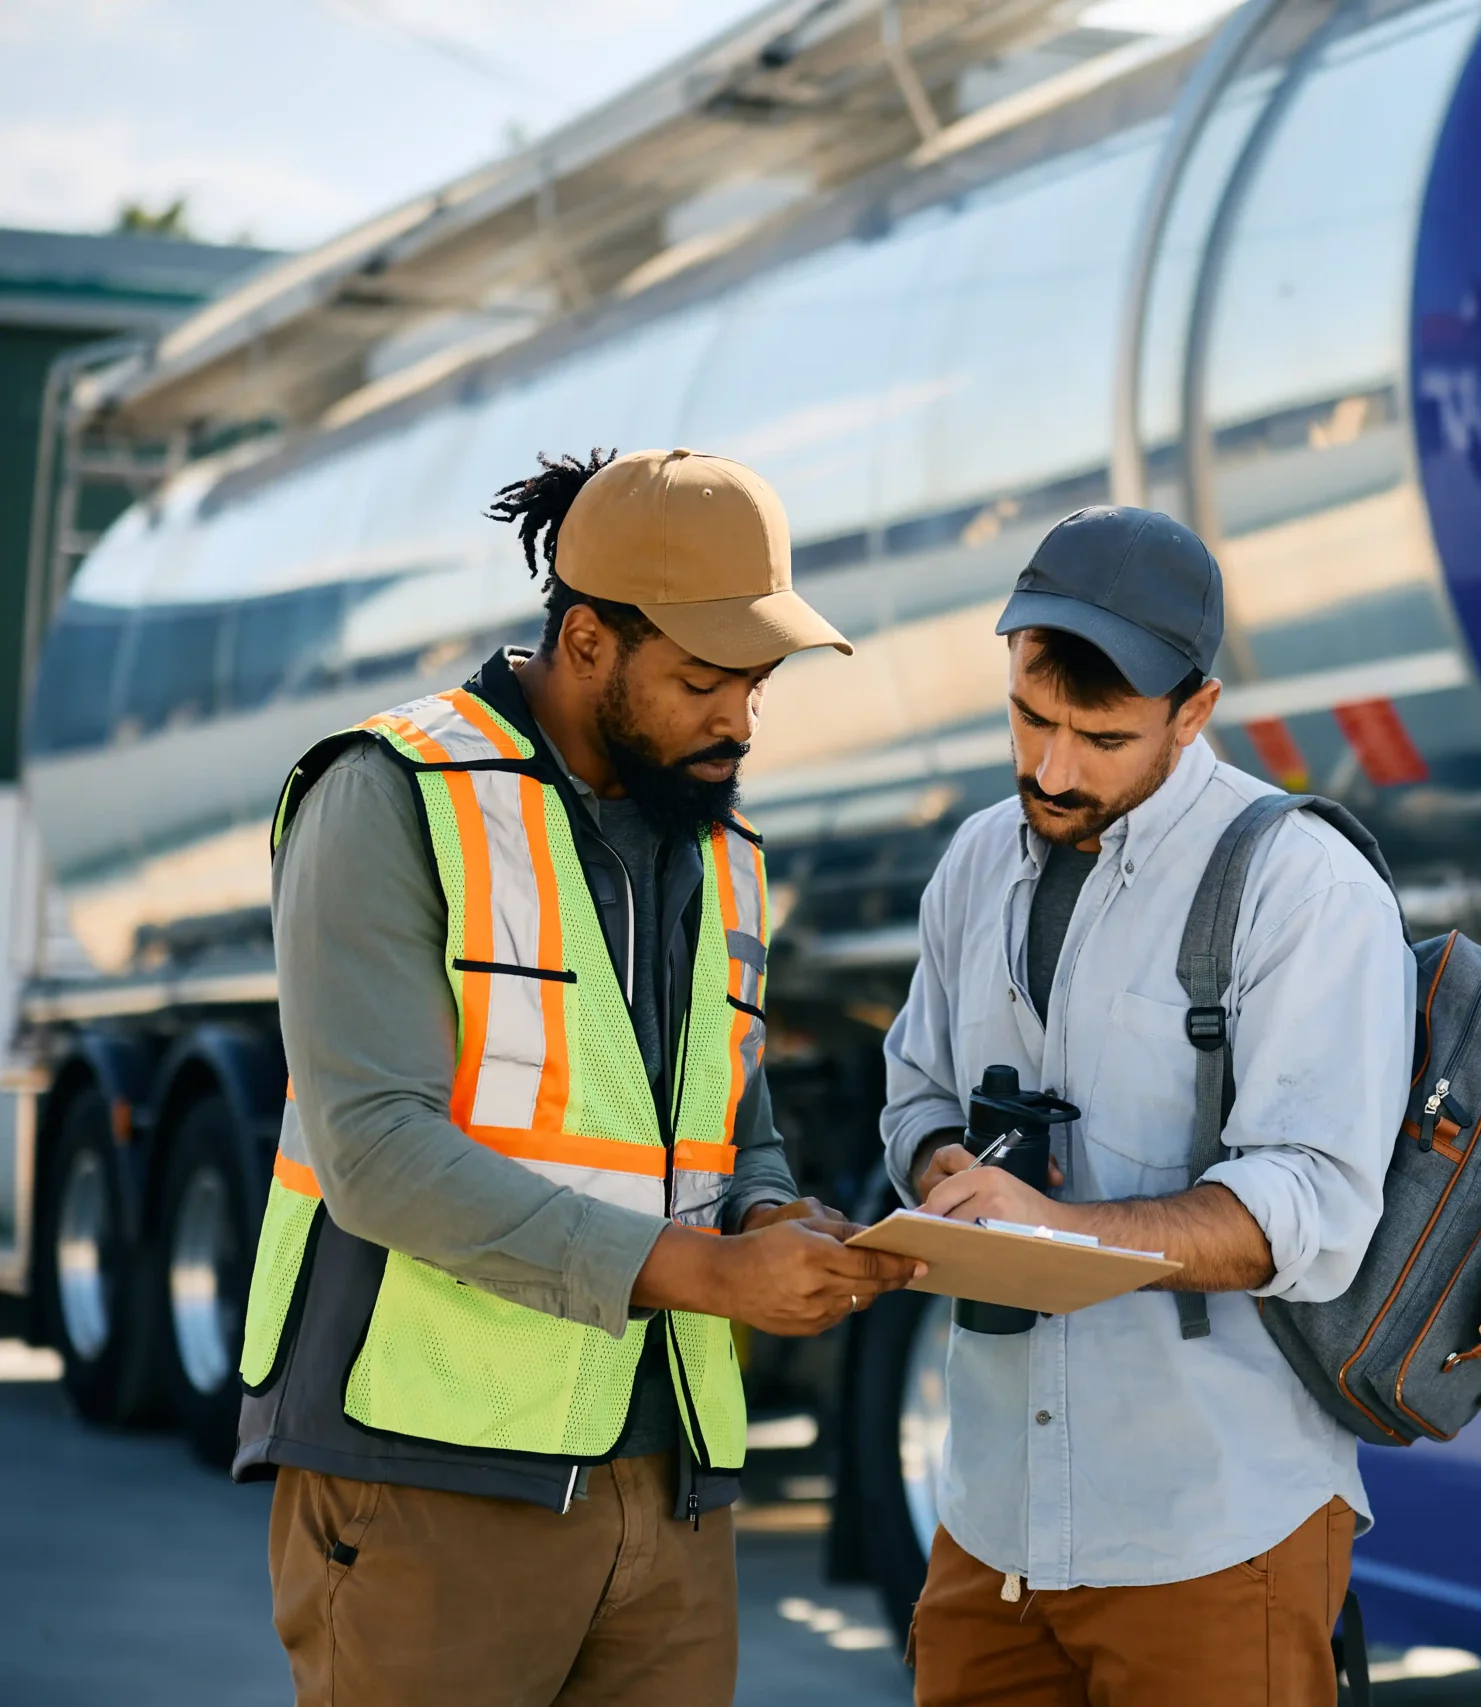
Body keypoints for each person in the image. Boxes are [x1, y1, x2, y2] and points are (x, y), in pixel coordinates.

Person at [234, 446, 921, 1707]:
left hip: (670, 1491)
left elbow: (731, 1133)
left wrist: (770, 1216)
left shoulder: (721, 845)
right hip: (429, 1478)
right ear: (589, 639)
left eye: (758, 686)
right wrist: (708, 1274)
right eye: (705, 680)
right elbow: (376, 1150)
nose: (739, 722)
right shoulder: (391, 793)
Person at [882, 505, 1414, 1705]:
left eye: (1103, 737)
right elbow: (911, 1089)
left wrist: (1055, 1236)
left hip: (1216, 1532)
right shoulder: (975, 859)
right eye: (1029, 718)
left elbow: (1315, 1209)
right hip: (993, 1527)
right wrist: (945, 1179)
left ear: (1195, 712)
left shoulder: (1300, 884)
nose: (1052, 769)